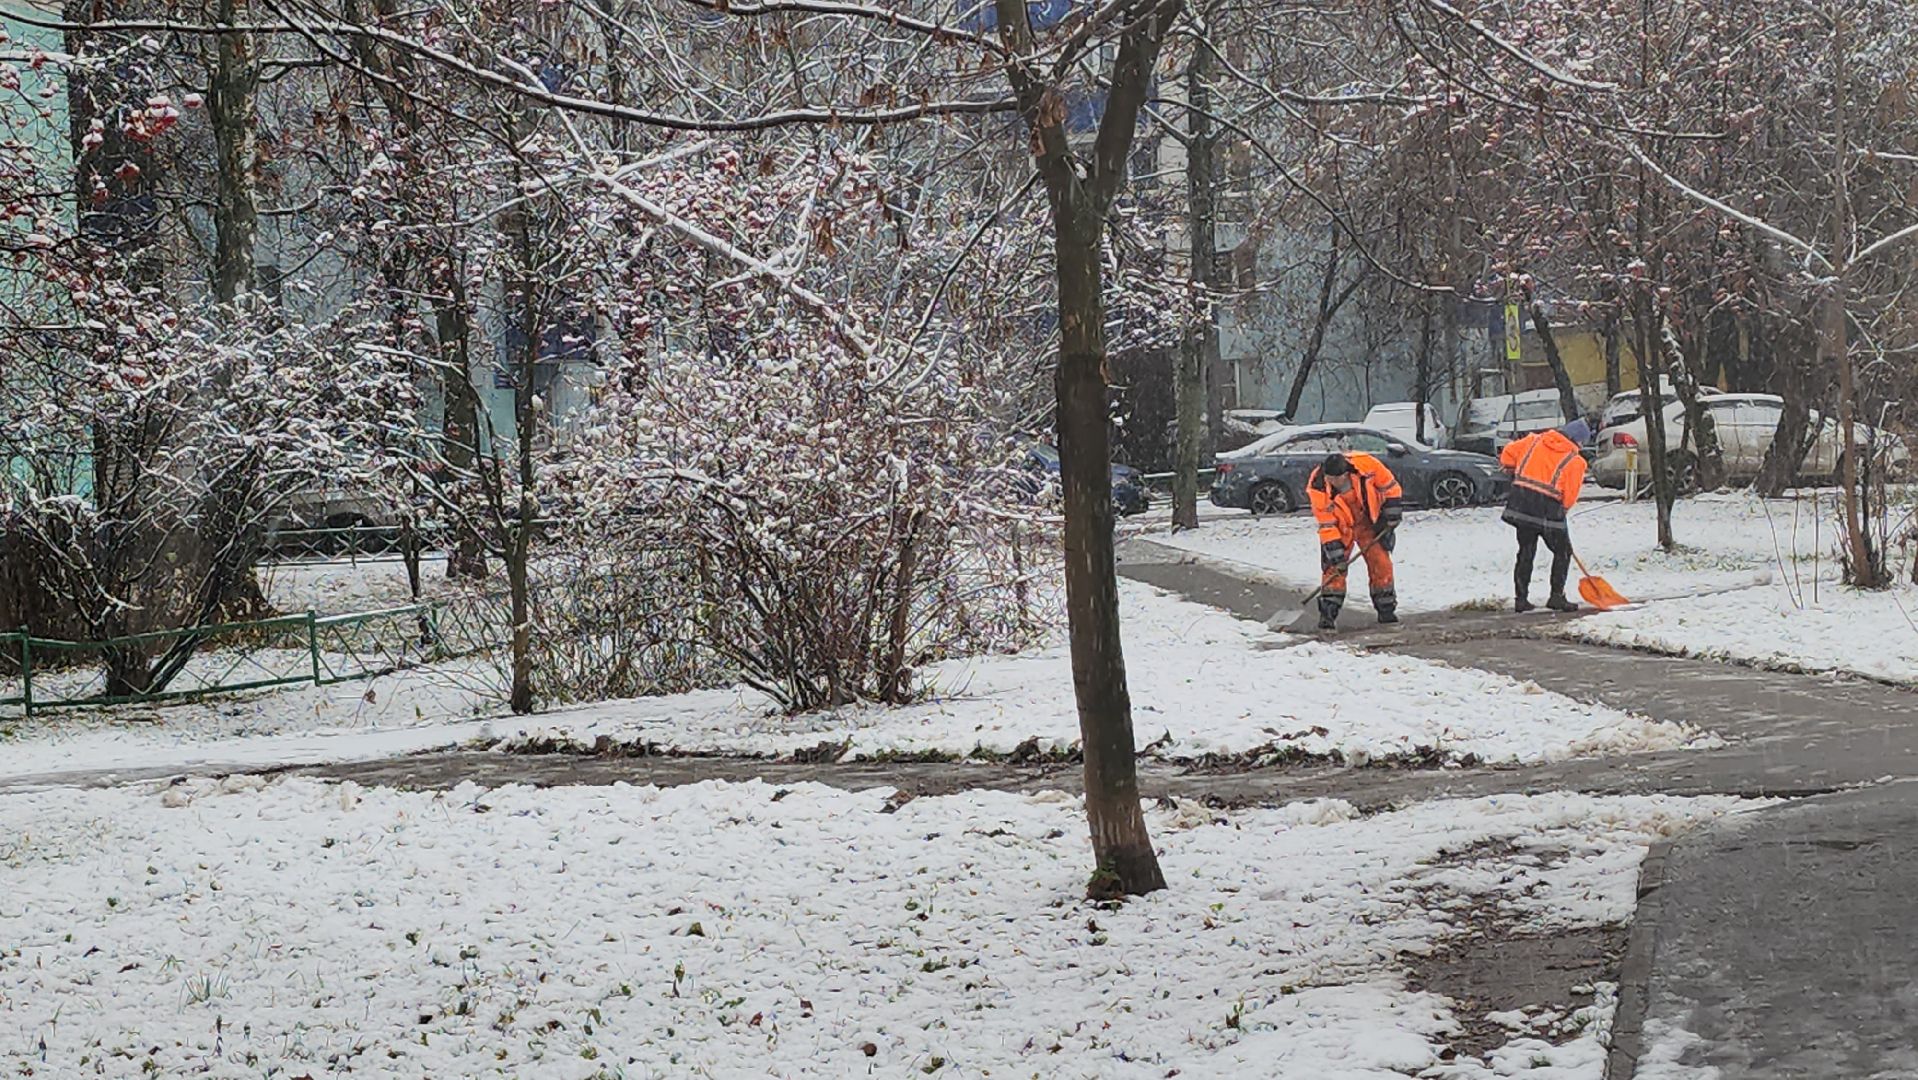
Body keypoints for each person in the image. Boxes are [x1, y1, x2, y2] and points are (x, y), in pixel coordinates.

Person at [1306, 452, 1404, 630]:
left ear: (1346, 474)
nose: (1332, 482)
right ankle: (1328, 614)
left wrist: (1392, 511)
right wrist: (1336, 553)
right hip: (1340, 527)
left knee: (1381, 564)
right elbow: (1326, 524)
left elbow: (1390, 486)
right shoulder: (1318, 486)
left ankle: (1386, 610)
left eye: (1336, 478)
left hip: (1369, 522)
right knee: (1334, 569)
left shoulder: (1367, 465)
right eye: (1329, 478)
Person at [1500, 419, 1590, 612]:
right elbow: (1570, 494)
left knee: (1526, 551)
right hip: (1548, 509)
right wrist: (1563, 509)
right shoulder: (1575, 461)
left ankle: (1521, 599)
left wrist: (1515, 467)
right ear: (1577, 441)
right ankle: (1556, 597)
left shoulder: (1533, 440)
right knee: (1563, 551)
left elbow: (1507, 454)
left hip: (1521, 503)